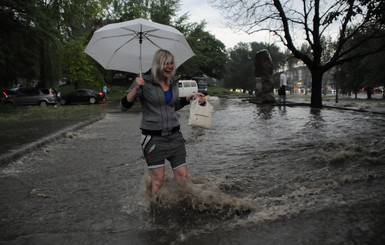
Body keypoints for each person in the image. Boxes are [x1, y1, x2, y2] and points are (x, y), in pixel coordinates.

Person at [121, 49, 205, 193]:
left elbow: (172, 105)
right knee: (158, 181)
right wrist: (136, 87)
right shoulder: (144, 81)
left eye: (171, 63)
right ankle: (155, 210)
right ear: (157, 64)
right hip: (153, 139)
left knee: (182, 177)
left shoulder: (172, 82)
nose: (169, 66)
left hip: (175, 136)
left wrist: (189, 97)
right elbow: (124, 106)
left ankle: (179, 208)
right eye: (165, 63)